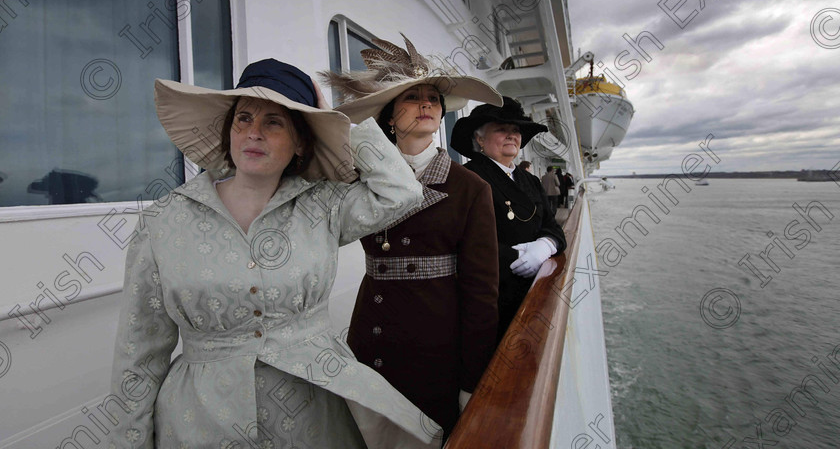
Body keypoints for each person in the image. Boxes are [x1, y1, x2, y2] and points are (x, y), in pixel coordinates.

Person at [107, 59, 443, 448]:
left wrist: (333, 120)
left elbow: (402, 191)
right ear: (228, 132)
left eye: (274, 122)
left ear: (300, 141)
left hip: (312, 414)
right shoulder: (163, 221)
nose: (254, 133)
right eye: (243, 119)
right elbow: (139, 352)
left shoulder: (323, 207)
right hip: (201, 421)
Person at [324, 34, 502, 439]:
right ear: (389, 115)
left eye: (433, 100)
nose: (426, 104)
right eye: (412, 97)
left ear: (440, 116)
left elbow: (481, 294)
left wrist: (472, 382)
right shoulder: (359, 178)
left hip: (434, 350)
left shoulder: (471, 188)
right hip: (371, 335)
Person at [450, 97, 566, 342]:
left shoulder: (530, 181)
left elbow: (553, 227)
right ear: (480, 139)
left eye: (516, 130)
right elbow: (460, 242)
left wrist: (544, 246)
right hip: (493, 298)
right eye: (502, 129)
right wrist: (519, 258)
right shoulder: (468, 178)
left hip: (533, 290)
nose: (512, 135)